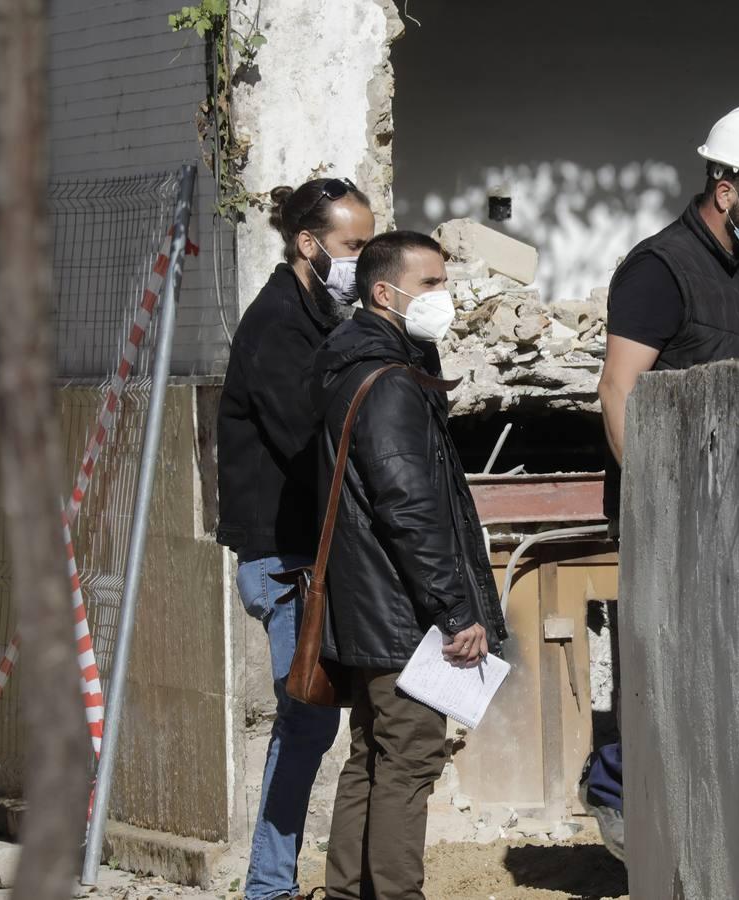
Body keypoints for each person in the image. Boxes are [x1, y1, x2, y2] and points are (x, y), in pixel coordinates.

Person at [585, 104, 739, 862]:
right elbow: (619, 391)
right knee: (673, 680)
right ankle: (616, 790)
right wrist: (656, 505)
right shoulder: (659, 270)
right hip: (680, 516)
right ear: (725, 190)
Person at [312, 231, 509, 900]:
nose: (443, 297)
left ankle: (348, 892)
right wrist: (455, 611)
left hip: (370, 602)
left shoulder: (355, 364)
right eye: (429, 284)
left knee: (372, 754)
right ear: (384, 293)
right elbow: (409, 509)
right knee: (412, 756)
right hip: (403, 610)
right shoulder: (391, 382)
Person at [216, 177, 375, 900]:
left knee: (316, 721)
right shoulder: (279, 324)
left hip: (313, 554)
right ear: (308, 245)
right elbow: (311, 440)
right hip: (285, 561)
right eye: (354, 247)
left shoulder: (325, 315)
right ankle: (268, 887)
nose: (363, 262)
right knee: (307, 720)